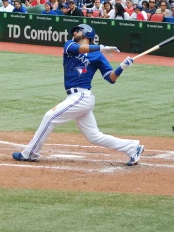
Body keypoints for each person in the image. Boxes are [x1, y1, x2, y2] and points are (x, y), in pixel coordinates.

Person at [12, 24, 144, 166]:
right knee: (94, 136)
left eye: (78, 30)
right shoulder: (70, 45)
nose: (74, 32)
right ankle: (132, 147)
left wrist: (122, 67)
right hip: (74, 98)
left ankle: (31, 153)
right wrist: (101, 47)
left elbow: (110, 78)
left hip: (82, 96)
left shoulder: (98, 55)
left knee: (50, 117)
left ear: (87, 34)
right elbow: (78, 49)